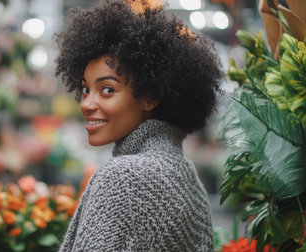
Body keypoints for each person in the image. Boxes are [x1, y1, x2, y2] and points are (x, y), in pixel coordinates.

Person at [55, 0, 224, 251]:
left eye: (107, 89)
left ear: (149, 97)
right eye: (85, 89)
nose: (87, 103)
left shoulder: (121, 178)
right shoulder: (190, 181)